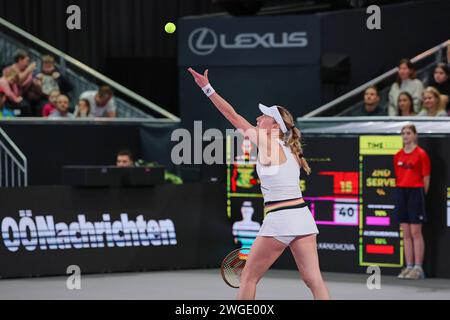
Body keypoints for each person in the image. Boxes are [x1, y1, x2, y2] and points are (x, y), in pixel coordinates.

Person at [188, 67, 330, 300]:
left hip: (280, 219)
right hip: (302, 216)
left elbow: (231, 115)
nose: (258, 118)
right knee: (313, 280)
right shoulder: (291, 149)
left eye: (264, 117)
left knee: (249, 277)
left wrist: (207, 88)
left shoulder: (267, 142)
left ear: (275, 127)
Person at [394, 124, 430, 280]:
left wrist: (421, 195)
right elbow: (398, 176)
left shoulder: (421, 154)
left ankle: (418, 268)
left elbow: (426, 178)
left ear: (415, 135)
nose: (405, 136)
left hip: (416, 192)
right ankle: (408, 266)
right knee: (406, 232)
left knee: (416, 232)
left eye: (408, 133)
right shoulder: (397, 155)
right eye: (403, 133)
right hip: (401, 192)